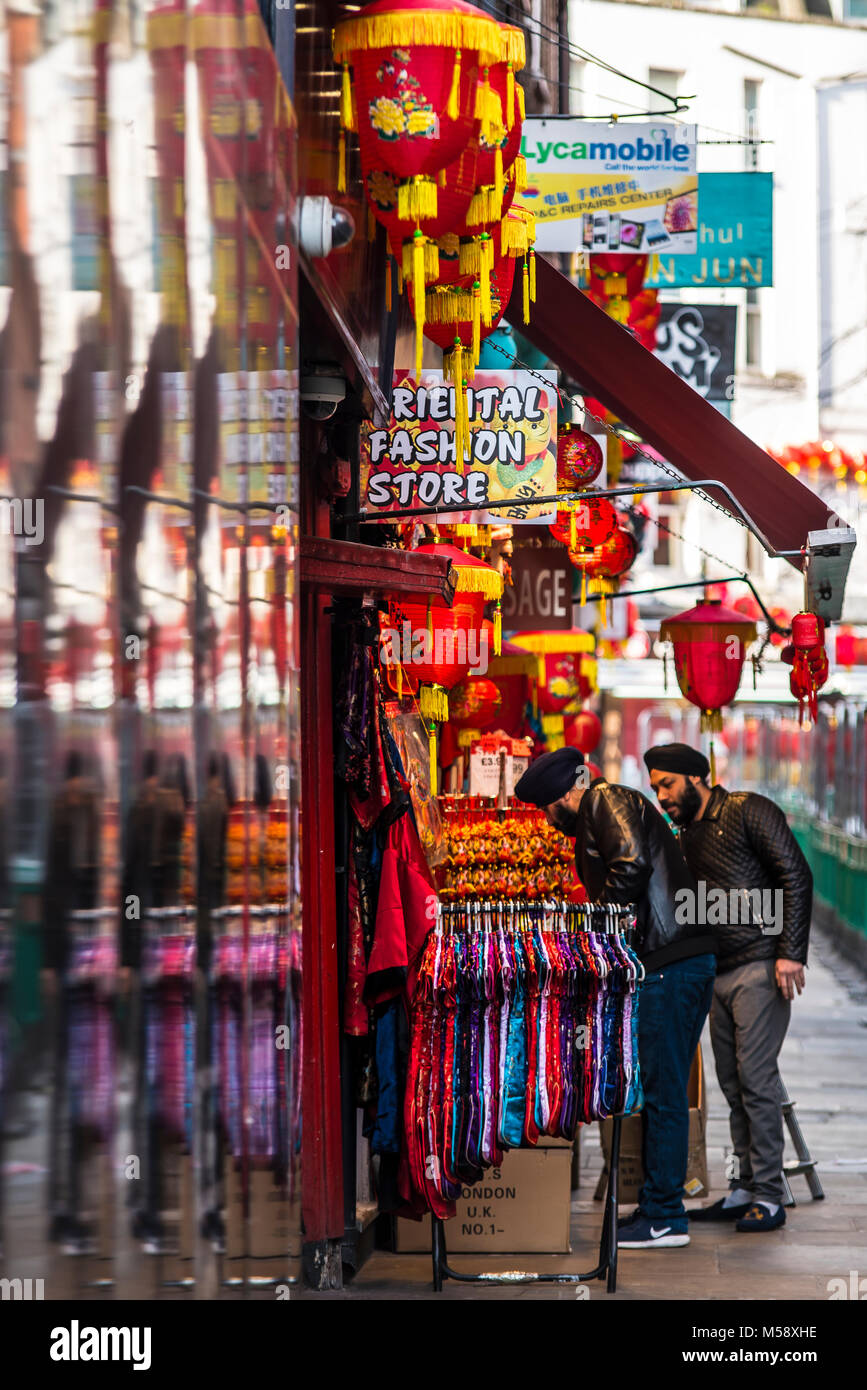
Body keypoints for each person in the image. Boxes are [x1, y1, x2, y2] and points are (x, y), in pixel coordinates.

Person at [514, 746, 716, 1250]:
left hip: (671, 965)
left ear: (564, 794)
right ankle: (656, 1208)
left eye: (545, 807)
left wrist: (590, 933)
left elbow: (630, 866)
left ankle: (666, 1216)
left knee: (664, 1090)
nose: (547, 819)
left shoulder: (604, 800)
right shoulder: (606, 806)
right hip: (675, 962)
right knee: (658, 1088)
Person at [644, 742, 812, 1234]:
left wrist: (791, 952)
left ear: (697, 778)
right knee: (732, 1084)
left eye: (668, 785)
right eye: (655, 788)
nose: (662, 796)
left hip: (760, 965)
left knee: (756, 1080)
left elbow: (794, 873)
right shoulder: (686, 833)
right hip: (715, 969)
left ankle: (770, 1196)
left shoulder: (747, 810)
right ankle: (742, 1188)